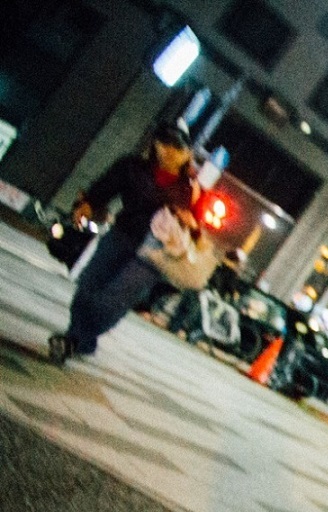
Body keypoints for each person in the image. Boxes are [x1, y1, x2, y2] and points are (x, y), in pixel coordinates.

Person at [48, 122, 202, 364]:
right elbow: (105, 187)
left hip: (153, 254)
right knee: (88, 286)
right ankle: (78, 339)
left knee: (112, 301)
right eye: (166, 145)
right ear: (156, 145)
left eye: (177, 148)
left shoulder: (189, 189)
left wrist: (191, 224)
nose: (170, 152)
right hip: (122, 236)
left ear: (187, 154)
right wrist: (87, 204)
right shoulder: (132, 167)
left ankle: (75, 340)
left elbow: (197, 232)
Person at [169, 248, 248, 342]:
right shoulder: (231, 273)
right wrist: (235, 294)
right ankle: (186, 331)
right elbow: (230, 288)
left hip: (201, 289)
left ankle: (174, 326)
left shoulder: (218, 265)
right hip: (213, 297)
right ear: (236, 261)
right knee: (207, 316)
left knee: (188, 307)